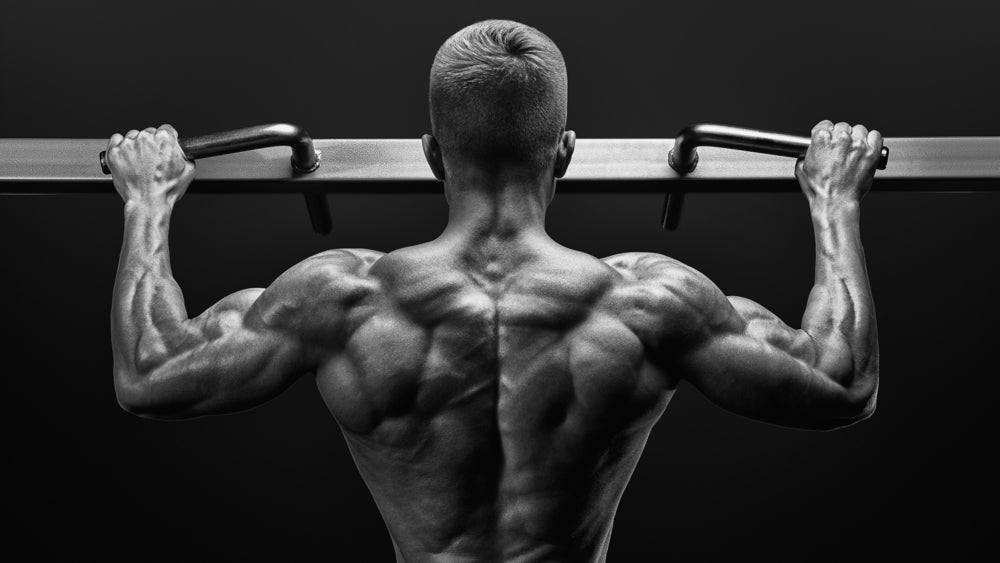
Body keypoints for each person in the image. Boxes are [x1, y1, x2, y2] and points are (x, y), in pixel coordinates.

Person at [105, 19, 881, 562]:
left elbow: (152, 368)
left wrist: (148, 202)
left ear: (432, 154)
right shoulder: (649, 304)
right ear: (564, 153)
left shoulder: (342, 299)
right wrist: (832, 201)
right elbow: (840, 380)